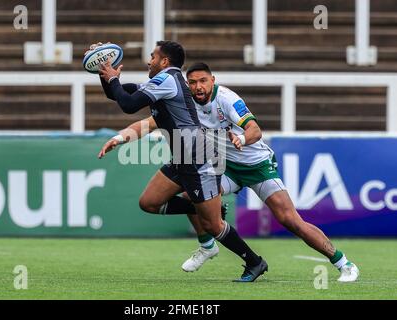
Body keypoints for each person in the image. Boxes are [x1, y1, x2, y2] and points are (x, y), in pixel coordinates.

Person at [99, 61, 359, 283]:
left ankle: (343, 263)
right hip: (222, 166)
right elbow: (149, 123)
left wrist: (242, 140)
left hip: (256, 165)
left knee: (290, 220)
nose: (198, 87)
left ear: (213, 80)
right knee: (193, 196)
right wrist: (121, 138)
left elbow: (255, 130)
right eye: (193, 82)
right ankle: (207, 245)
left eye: (203, 81)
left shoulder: (226, 98)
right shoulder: (184, 102)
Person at [91, 41, 268, 282]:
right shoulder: (161, 81)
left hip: (200, 158)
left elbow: (129, 105)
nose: (149, 60)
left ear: (164, 61)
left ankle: (254, 262)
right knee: (149, 202)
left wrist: (113, 79)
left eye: (153, 56)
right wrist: (105, 72)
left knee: (214, 226)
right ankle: (206, 210)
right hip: (184, 158)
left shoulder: (167, 80)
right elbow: (118, 94)